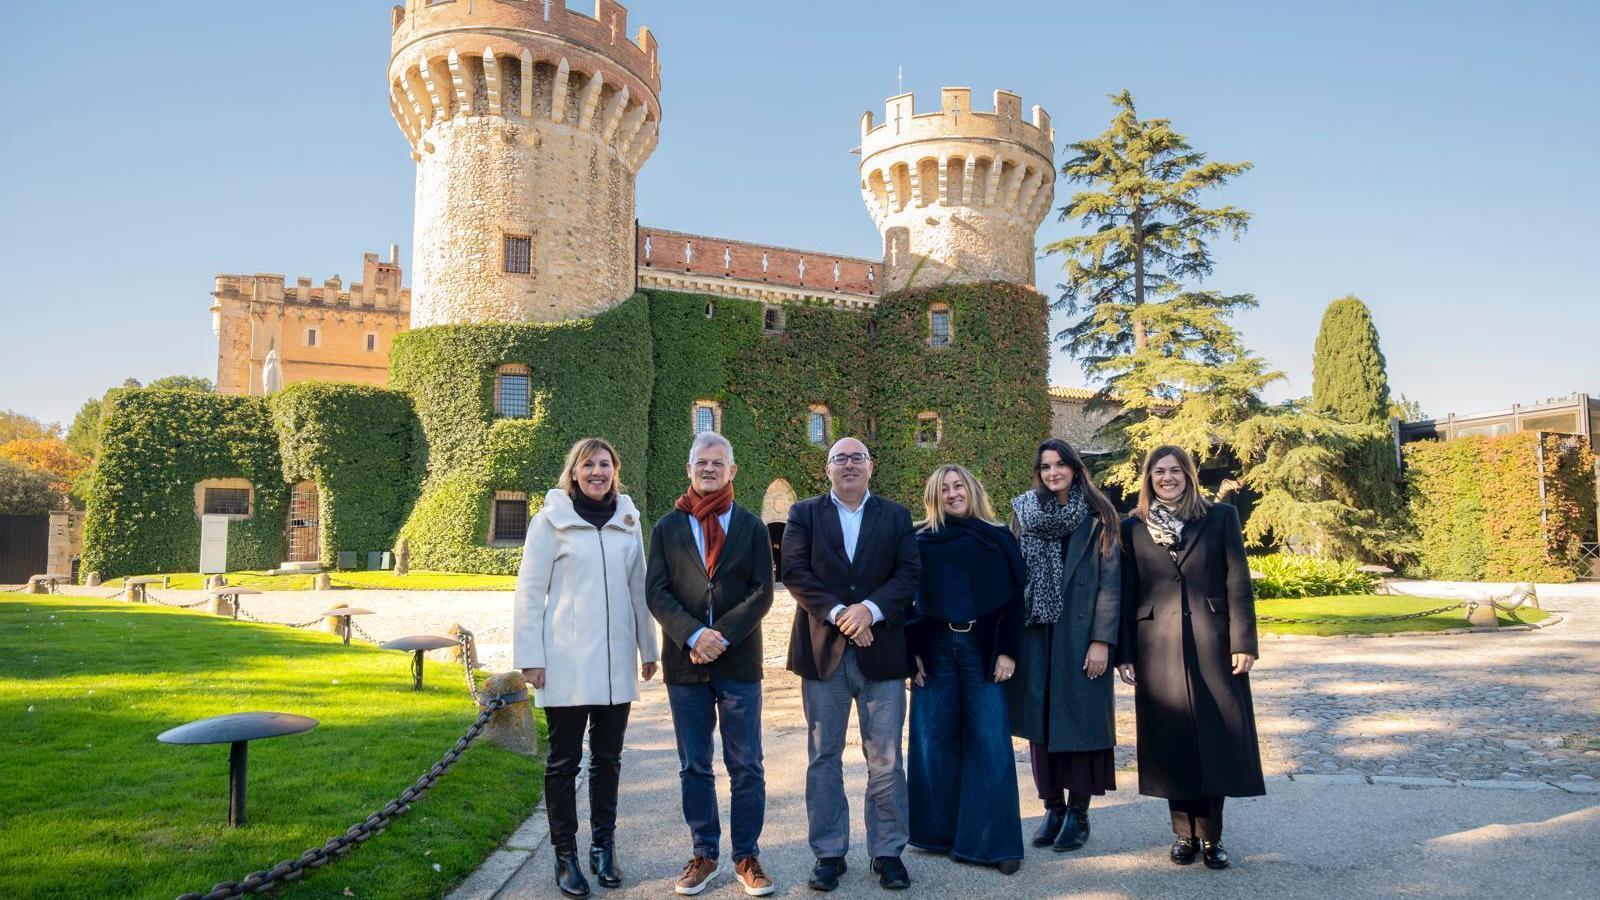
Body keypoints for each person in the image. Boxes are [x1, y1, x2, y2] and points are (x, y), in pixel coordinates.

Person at [513, 437, 660, 898]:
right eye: (588, 465)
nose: (597, 472)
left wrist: (648, 647)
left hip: (616, 661)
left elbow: (639, 586)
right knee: (564, 761)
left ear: (615, 470)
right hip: (566, 661)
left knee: (608, 759)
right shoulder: (550, 521)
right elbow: (530, 591)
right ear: (574, 472)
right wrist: (530, 658)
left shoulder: (628, 519)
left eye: (605, 465)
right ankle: (565, 854)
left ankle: (603, 847)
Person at [782, 437, 921, 892]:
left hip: (881, 654)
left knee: (885, 759)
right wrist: (844, 613)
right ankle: (828, 853)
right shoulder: (804, 514)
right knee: (824, 757)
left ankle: (887, 852)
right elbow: (795, 573)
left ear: (870, 466)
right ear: (827, 469)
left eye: (856, 457)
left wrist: (871, 610)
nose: (848, 465)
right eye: (839, 458)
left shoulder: (896, 516)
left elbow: (908, 574)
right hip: (824, 655)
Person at [1117, 445, 1264, 870]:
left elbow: (1237, 578)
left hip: (1211, 639)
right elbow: (1128, 591)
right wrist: (1125, 653)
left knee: (1214, 737)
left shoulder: (1219, 517)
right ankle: (1184, 833)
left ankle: (1212, 837)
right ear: (1148, 478)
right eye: (1159, 471)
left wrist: (1244, 642)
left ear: (1188, 474)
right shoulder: (1134, 526)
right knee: (1172, 738)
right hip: (1155, 645)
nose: (1167, 478)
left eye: (1175, 470)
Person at [646, 432, 776, 896]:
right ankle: (704, 852)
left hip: (739, 662)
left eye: (718, 462)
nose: (709, 469)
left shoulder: (752, 527)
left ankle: (746, 855)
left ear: (732, 471)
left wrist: (723, 636)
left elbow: (763, 591)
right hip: (685, 664)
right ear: (689, 468)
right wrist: (695, 635)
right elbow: (656, 592)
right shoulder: (666, 528)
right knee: (694, 765)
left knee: (747, 765)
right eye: (701, 462)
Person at [906, 465, 1026, 873]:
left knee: (990, 742)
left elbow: (1014, 599)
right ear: (933, 497)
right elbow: (907, 600)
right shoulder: (920, 539)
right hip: (935, 647)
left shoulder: (997, 537)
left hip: (984, 648)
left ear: (972, 489)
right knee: (932, 742)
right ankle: (938, 833)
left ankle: (996, 843)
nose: (953, 494)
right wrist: (911, 655)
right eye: (944, 489)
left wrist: (1009, 651)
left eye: (958, 486)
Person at [1006, 438, 1124, 853]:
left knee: (1082, 724)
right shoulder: (1024, 512)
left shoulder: (1099, 515)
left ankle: (1078, 813)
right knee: (1041, 725)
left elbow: (1111, 583)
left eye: (1060, 465)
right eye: (1044, 467)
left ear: (1075, 468)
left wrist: (1101, 641)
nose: (1052, 472)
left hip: (1079, 635)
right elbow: (1012, 572)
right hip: (1036, 632)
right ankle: (1052, 806)